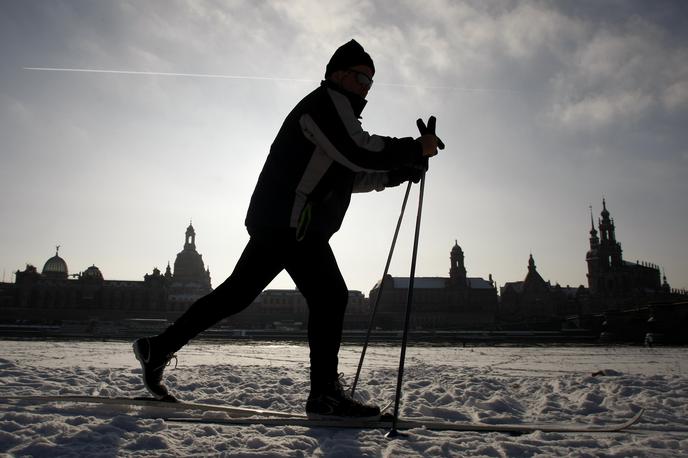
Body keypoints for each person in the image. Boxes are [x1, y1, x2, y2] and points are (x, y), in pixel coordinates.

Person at [133, 39, 440, 419]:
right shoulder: (325, 105)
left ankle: (158, 348)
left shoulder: (337, 114)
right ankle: (325, 395)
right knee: (330, 296)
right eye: (361, 77)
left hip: (279, 220)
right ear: (338, 74)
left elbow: (348, 174)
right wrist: (414, 148)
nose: (366, 87)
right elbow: (357, 150)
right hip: (293, 222)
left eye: (371, 82)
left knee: (235, 295)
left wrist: (396, 174)